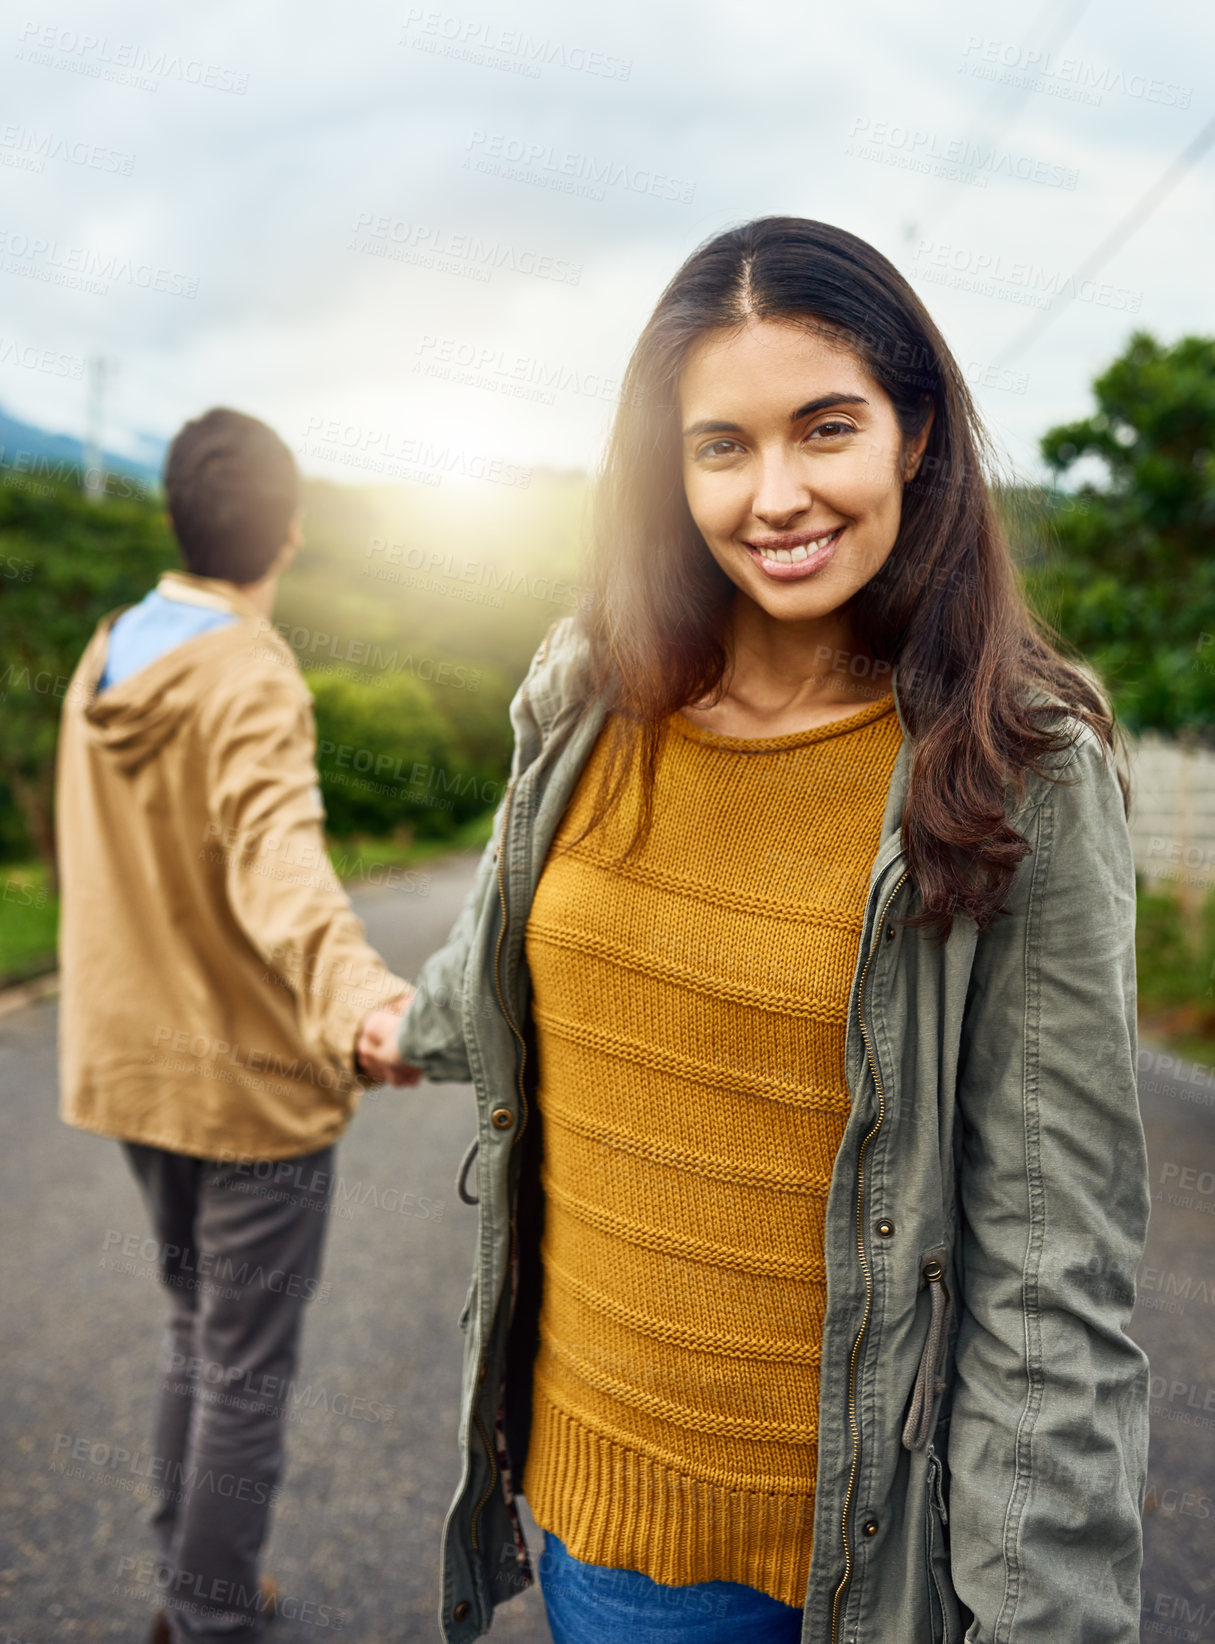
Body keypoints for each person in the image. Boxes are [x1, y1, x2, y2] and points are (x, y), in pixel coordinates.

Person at [366, 217, 1151, 1643]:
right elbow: (500, 946)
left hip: (829, 1573)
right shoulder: (587, 693)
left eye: (822, 428)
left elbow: (1055, 1271)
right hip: (578, 1521)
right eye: (720, 445)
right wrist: (382, 1025)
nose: (774, 493)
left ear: (912, 434)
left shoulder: (1015, 767)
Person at [55, 407, 419, 1644]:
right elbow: (279, 856)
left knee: (195, 1330)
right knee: (243, 1362)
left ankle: (190, 1581)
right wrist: (361, 996)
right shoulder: (249, 667)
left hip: (132, 1069)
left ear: (176, 514)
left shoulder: (108, 651)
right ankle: (210, 1618)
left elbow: (98, 859)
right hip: (250, 1084)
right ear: (291, 528)